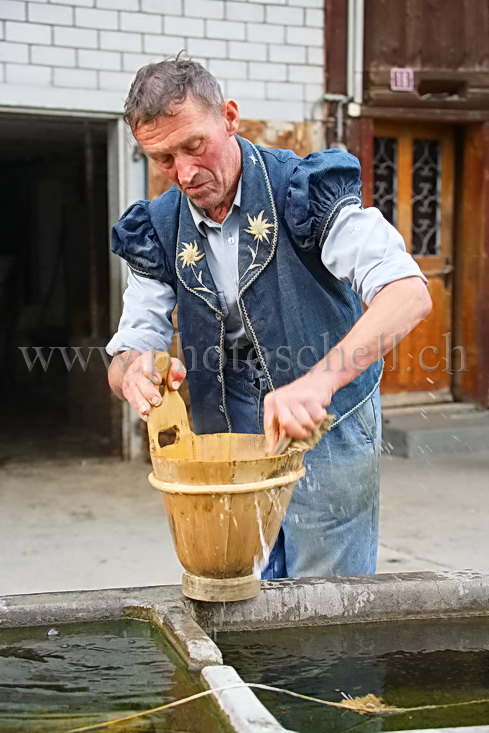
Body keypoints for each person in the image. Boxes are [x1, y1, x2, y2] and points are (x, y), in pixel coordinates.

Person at [107, 56, 431, 579]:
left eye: (193, 146)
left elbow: (408, 291)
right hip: (226, 431)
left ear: (229, 117)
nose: (184, 173)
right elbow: (126, 352)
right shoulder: (158, 228)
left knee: (328, 604)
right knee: (240, 591)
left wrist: (318, 383)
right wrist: (134, 374)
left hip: (327, 423)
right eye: (163, 158)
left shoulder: (303, 190)